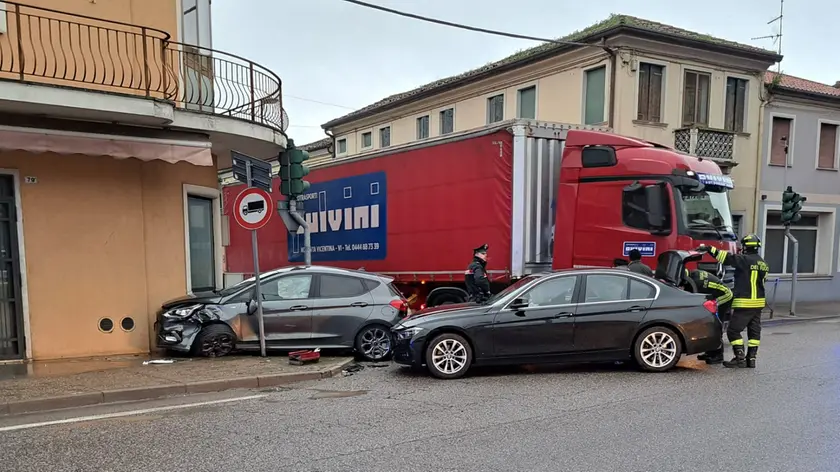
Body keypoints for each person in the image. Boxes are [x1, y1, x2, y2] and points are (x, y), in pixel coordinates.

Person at [697, 234, 769, 369]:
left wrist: (708, 248)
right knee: (754, 332)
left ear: (746, 247)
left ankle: (739, 358)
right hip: (758, 303)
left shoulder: (744, 260)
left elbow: (725, 258)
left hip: (744, 302)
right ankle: (751, 359)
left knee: (733, 331)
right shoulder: (763, 263)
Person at [684, 268, 733, 364]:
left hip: (724, 297)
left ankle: (718, 355)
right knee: (709, 324)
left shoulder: (696, 282)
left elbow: (696, 299)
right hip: (718, 295)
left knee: (715, 324)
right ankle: (710, 352)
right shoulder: (694, 274)